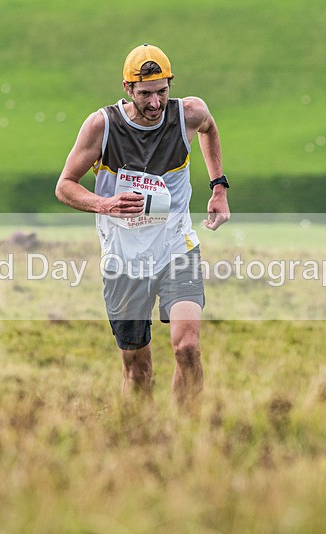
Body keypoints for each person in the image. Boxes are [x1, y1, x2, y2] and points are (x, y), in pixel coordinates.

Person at [55, 44, 230, 414]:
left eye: (162, 92)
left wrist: (219, 187)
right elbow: (65, 185)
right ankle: (139, 439)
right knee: (138, 370)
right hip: (123, 260)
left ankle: (188, 439)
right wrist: (105, 205)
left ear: (171, 85)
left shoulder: (188, 114)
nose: (155, 103)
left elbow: (210, 129)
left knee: (187, 347)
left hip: (176, 249)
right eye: (145, 94)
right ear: (127, 88)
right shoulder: (102, 127)